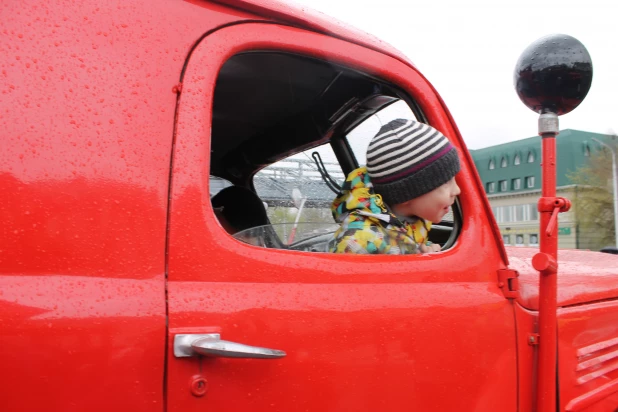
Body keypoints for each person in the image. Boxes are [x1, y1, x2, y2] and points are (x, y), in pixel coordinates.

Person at [329, 118, 461, 254]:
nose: (457, 190)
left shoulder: (414, 219)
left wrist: (425, 249)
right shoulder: (357, 244)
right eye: (446, 182)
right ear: (408, 192)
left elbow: (405, 242)